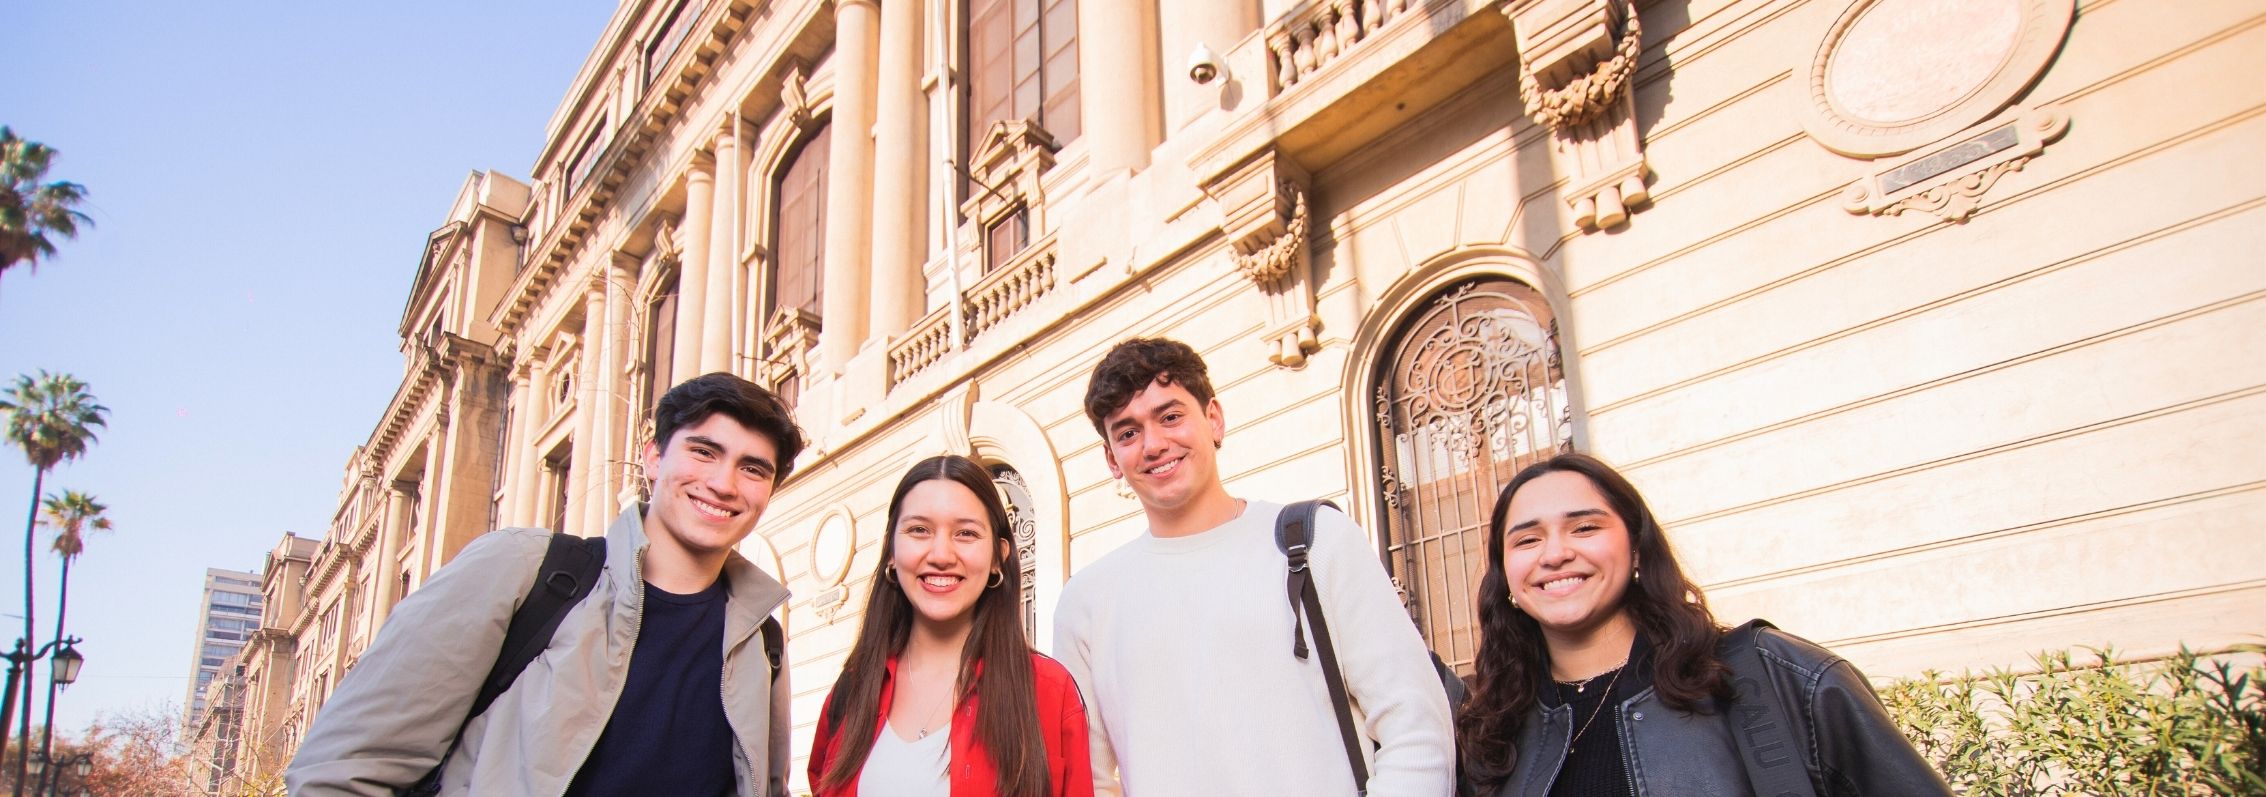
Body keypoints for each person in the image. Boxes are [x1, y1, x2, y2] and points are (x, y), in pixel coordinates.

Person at [287, 372, 806, 797]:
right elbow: (346, 771)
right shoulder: (524, 571)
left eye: (753, 469)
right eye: (703, 452)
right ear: (653, 457)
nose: (723, 483)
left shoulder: (762, 642)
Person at [1053, 337, 1456, 796]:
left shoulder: (1316, 541)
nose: (1154, 444)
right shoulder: (1086, 602)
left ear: (1213, 420)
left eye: (1170, 417)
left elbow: (1417, 729)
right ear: (1112, 460)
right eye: (1127, 433)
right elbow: (1090, 782)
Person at [1457, 452, 1951, 796]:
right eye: (1526, 540)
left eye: (1585, 527)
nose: (1557, 553)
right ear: (1506, 577)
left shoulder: (1775, 676)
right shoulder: (1491, 729)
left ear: (1635, 550)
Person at [807, 455, 1094, 796]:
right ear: (891, 552)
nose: (941, 554)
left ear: (997, 557)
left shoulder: (1049, 691)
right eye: (919, 530)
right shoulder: (852, 691)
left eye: (966, 533)